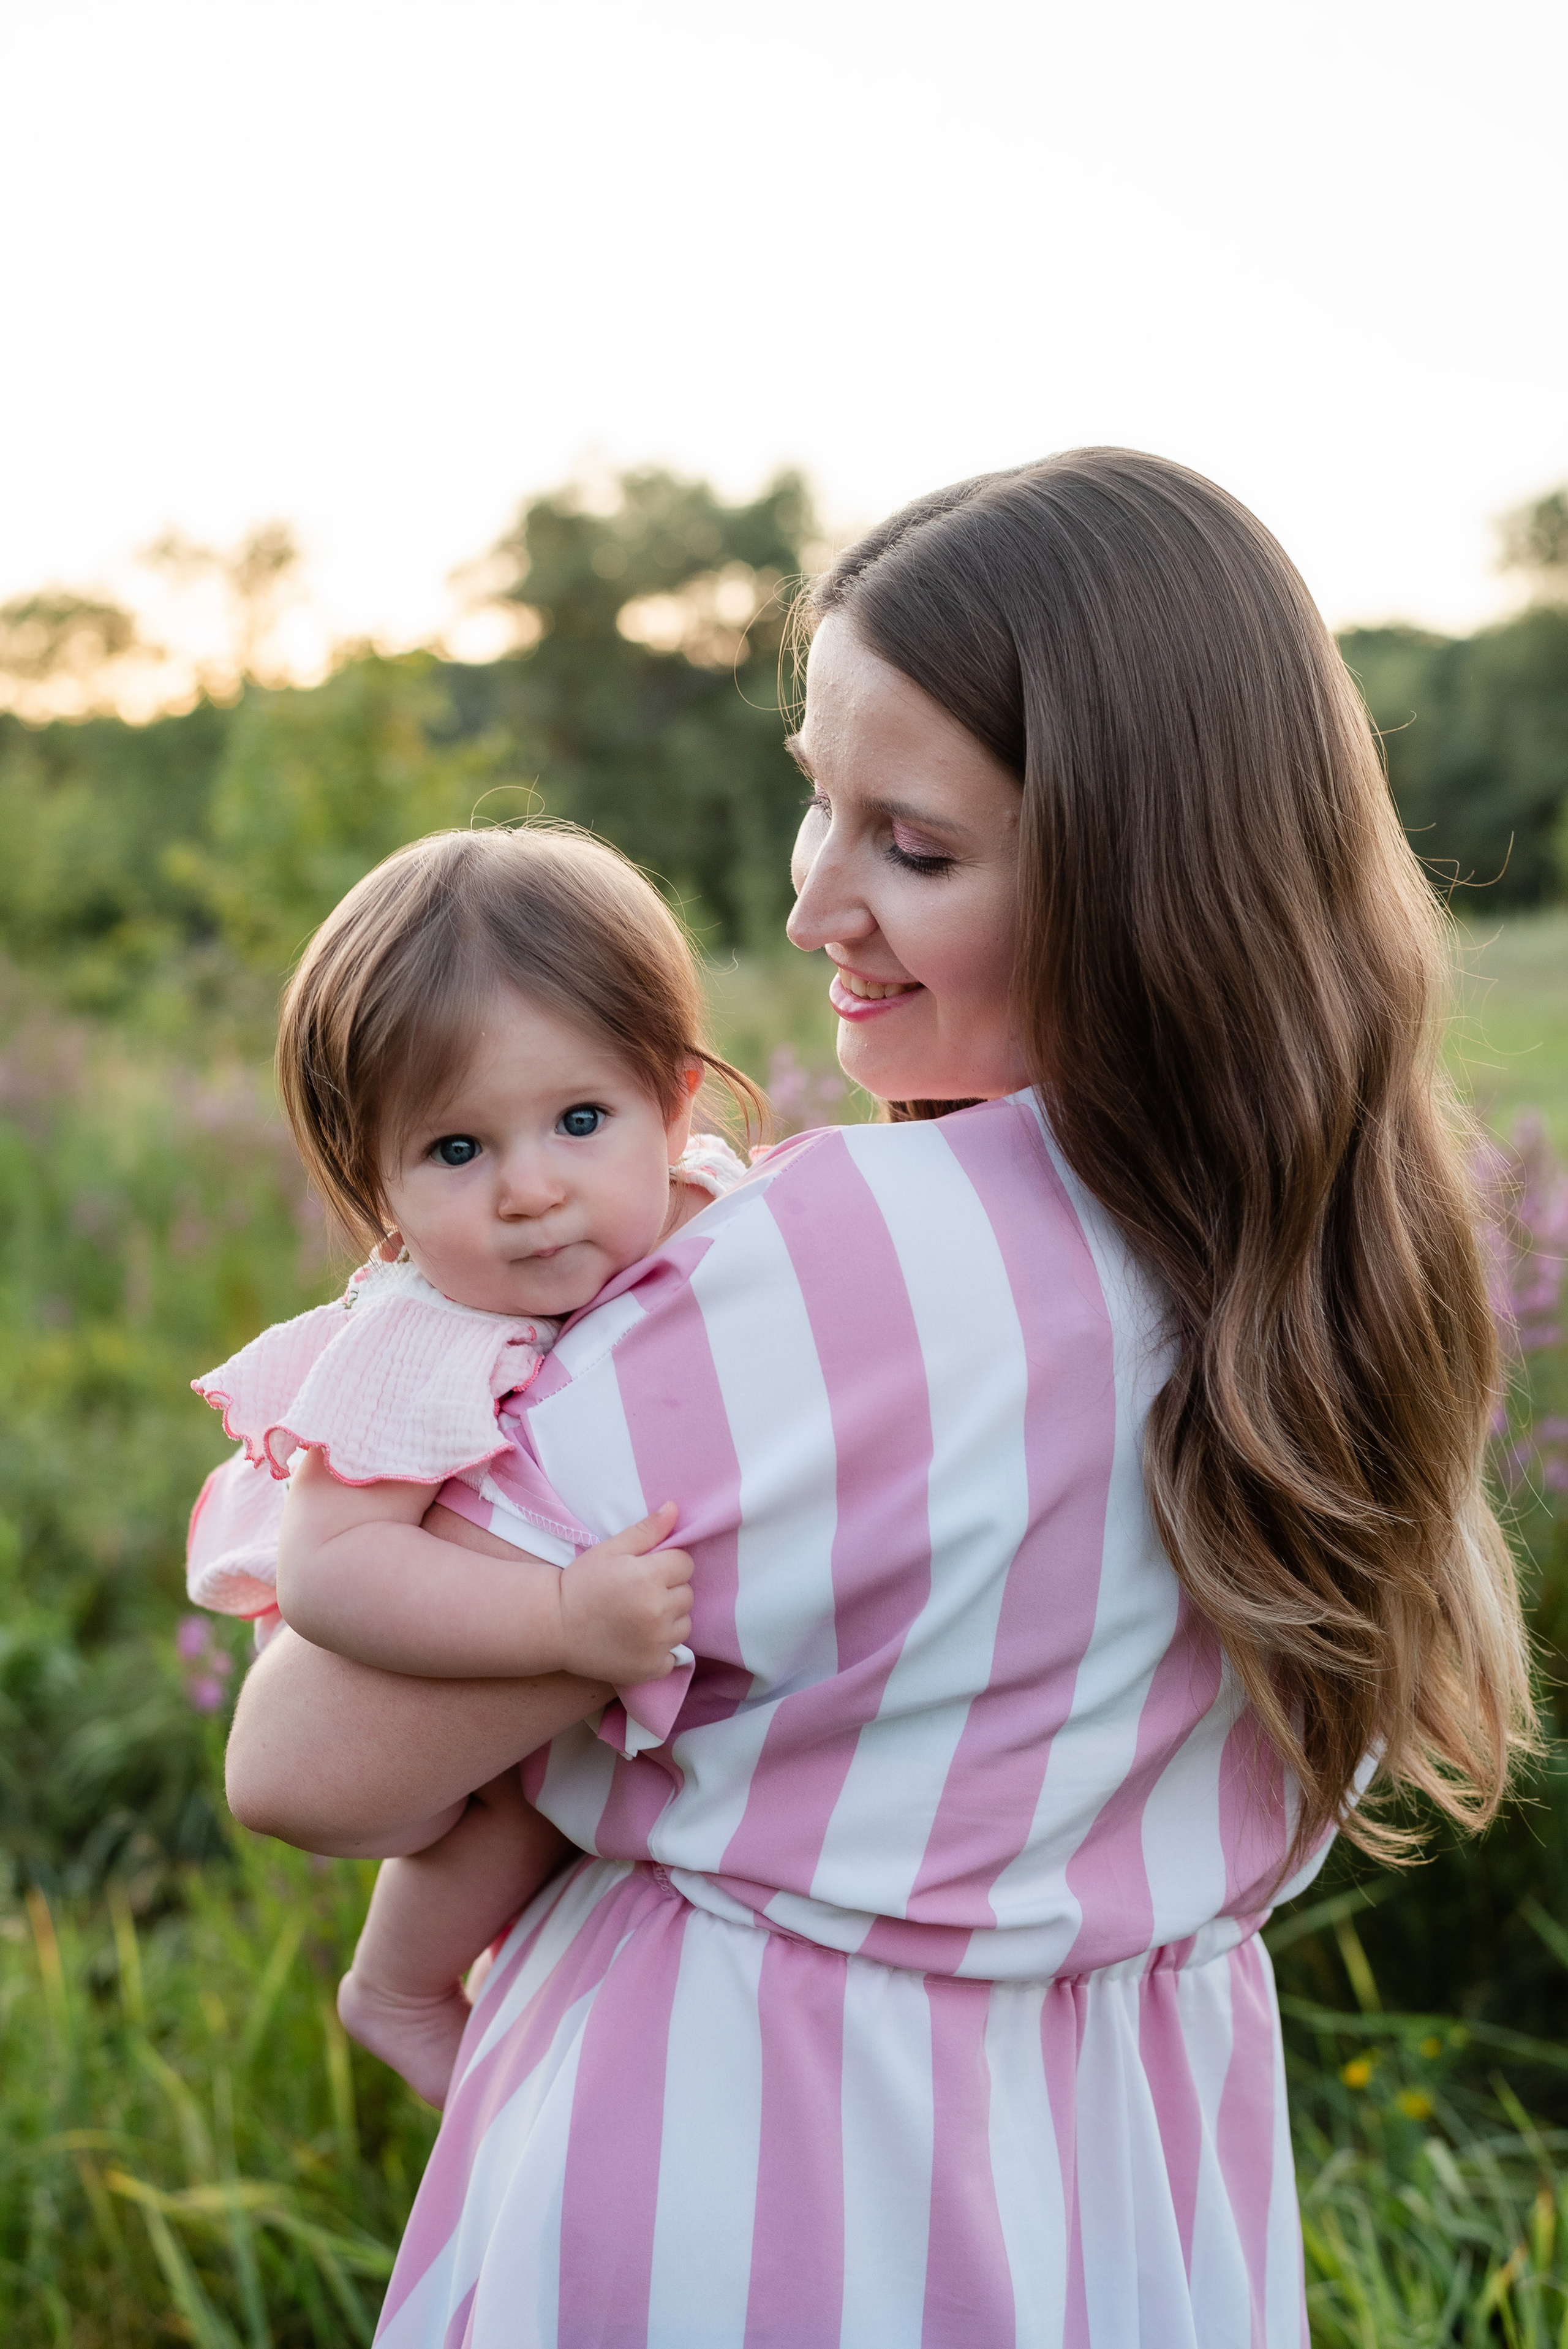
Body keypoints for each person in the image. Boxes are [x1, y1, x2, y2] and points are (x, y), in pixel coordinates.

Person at [224, 450, 1533, 2348]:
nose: (817, 901)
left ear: (1140, 880)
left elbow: (298, 1766)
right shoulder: (1355, 1260)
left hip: (739, 2174)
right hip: (1129, 2193)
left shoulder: (825, 1278)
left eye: (916, 848)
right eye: (817, 803)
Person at [187, 826, 758, 2105]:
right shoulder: (426, 1332)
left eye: (577, 1119)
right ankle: (395, 1990)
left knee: (578, 1803)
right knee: (516, 1803)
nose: (529, 1190)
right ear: (376, 1178)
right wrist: (556, 1618)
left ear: (671, 1102)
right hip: (402, 1637)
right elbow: (331, 1572)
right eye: (457, 1150)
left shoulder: (716, 1208)